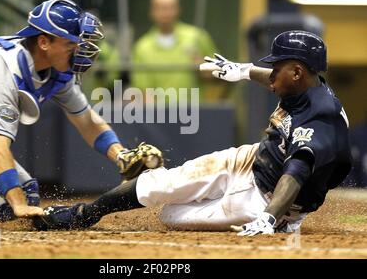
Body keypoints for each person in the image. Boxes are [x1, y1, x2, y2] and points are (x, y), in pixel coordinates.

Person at [33, 30, 353, 236]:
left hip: (267, 199)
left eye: (277, 68)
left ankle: (278, 223)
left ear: (297, 72)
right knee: (159, 185)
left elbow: (295, 173)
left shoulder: (321, 119)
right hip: (251, 159)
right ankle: (82, 214)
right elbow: (277, 77)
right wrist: (241, 70)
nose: (270, 76)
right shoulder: (305, 83)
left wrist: (270, 217)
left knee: (172, 216)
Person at [0, 0, 163, 228]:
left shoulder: (56, 69)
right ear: (44, 42)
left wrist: (120, 155)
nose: (80, 50)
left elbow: (88, 121)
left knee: (23, 194)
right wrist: (17, 204)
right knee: (11, 197)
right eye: (71, 44)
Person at [131, 0, 217, 102]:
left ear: (178, 10)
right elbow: (143, 90)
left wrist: (203, 67)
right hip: (160, 115)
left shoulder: (196, 37)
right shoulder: (142, 47)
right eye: (161, 8)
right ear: (152, 11)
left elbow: (218, 73)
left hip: (195, 112)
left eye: (170, 8)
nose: (165, 13)